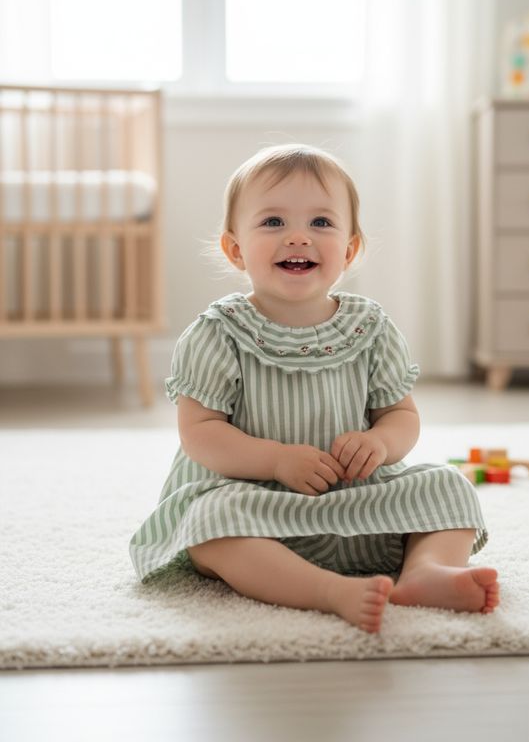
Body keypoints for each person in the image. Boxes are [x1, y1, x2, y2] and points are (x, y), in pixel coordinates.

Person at [129, 143, 499, 633]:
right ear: (235, 249)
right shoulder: (218, 333)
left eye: (321, 223)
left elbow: (401, 416)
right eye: (273, 223)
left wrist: (379, 443)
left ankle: (427, 572)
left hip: (357, 502)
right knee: (208, 524)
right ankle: (329, 591)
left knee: (447, 486)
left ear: (349, 249)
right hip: (253, 503)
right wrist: (277, 461)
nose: (299, 237)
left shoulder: (371, 327)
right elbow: (201, 434)